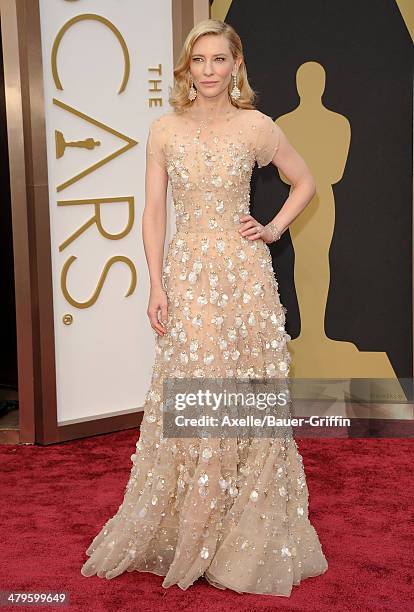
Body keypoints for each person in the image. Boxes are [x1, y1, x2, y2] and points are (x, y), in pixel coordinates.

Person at [81, 18, 328, 597]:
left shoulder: (256, 126)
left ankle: (241, 530)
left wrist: (270, 230)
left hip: (245, 278)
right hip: (189, 278)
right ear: (187, 68)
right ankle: (194, 524)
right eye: (200, 61)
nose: (210, 71)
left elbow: (305, 182)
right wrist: (156, 284)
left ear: (236, 65)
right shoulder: (165, 129)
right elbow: (154, 214)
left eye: (220, 60)